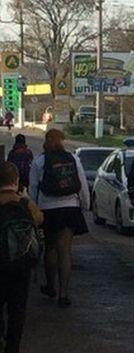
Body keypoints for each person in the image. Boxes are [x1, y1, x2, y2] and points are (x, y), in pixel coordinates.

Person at [28, 129, 90, 308]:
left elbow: (33, 189)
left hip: (48, 210)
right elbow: (82, 185)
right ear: (62, 141)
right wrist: (85, 205)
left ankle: (50, 285)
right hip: (70, 208)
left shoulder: (39, 161)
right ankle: (64, 293)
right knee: (65, 250)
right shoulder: (73, 159)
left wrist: (34, 210)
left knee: (51, 248)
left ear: (47, 141)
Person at [0, 161, 44, 353]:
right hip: (20, 264)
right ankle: (13, 347)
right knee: (17, 311)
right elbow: (40, 218)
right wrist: (26, 198)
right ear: (16, 180)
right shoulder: (22, 204)